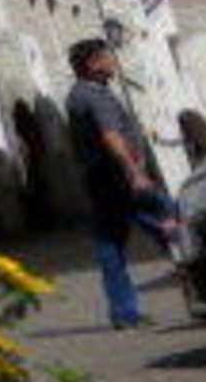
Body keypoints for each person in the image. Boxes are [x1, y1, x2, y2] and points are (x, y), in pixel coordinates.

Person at [64, 37, 182, 330]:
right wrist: (134, 171)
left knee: (111, 246)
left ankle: (124, 313)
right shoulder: (96, 97)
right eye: (108, 57)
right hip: (121, 180)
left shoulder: (77, 95)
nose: (113, 62)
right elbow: (110, 136)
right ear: (93, 64)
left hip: (101, 180)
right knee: (178, 222)